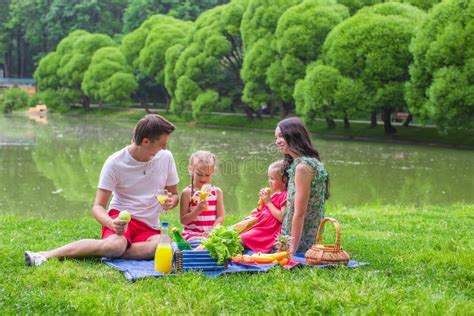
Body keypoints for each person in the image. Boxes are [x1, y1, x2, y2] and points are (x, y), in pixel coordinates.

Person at [25, 114, 180, 266]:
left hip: (150, 226)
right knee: (115, 246)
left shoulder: (166, 157)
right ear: (146, 141)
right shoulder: (115, 163)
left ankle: (108, 251)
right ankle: (45, 255)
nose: (165, 148)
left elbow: (174, 194)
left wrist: (171, 201)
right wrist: (112, 224)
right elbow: (98, 207)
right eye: (162, 145)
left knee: (161, 246)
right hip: (121, 220)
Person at [275, 117, 329, 255]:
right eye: (276, 137)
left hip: (301, 239)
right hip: (296, 232)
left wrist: (291, 250)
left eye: (281, 136)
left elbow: (300, 213)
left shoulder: (302, 167)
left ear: (293, 135)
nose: (277, 141)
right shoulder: (307, 162)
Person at [238, 160, 288, 253]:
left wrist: (268, 202)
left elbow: (282, 217)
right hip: (260, 224)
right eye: (269, 178)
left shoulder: (285, 196)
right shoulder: (275, 195)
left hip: (267, 230)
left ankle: (230, 252)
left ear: (284, 180)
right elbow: (266, 210)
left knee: (242, 238)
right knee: (238, 231)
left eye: (272, 178)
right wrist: (258, 211)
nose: (269, 181)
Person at [180, 150, 225, 241]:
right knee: (199, 244)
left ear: (213, 171)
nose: (203, 178)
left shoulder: (217, 192)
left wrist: (211, 231)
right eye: (199, 174)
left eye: (207, 175)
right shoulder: (187, 193)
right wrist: (198, 210)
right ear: (191, 169)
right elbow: (183, 220)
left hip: (211, 233)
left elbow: (220, 217)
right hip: (192, 235)